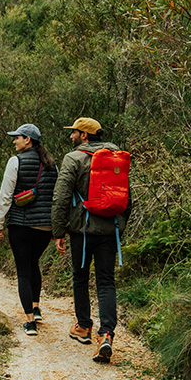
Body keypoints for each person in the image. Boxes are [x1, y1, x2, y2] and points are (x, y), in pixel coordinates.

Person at [51, 117, 130, 363]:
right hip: (109, 230)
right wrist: (120, 225)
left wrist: (58, 231)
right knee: (106, 282)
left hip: (82, 232)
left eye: (74, 132)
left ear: (85, 135)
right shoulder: (116, 157)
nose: (71, 136)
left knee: (80, 277)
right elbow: (128, 196)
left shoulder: (73, 158)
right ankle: (106, 334)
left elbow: (61, 196)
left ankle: (84, 327)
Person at [0, 123, 58, 337]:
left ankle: (30, 322)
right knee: (34, 264)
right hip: (44, 227)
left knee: (23, 270)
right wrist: (56, 228)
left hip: (21, 225)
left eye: (17, 138)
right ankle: (37, 308)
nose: (14, 141)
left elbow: (5, 195)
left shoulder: (16, 162)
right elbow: (55, 198)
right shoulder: (52, 165)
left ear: (28, 140)